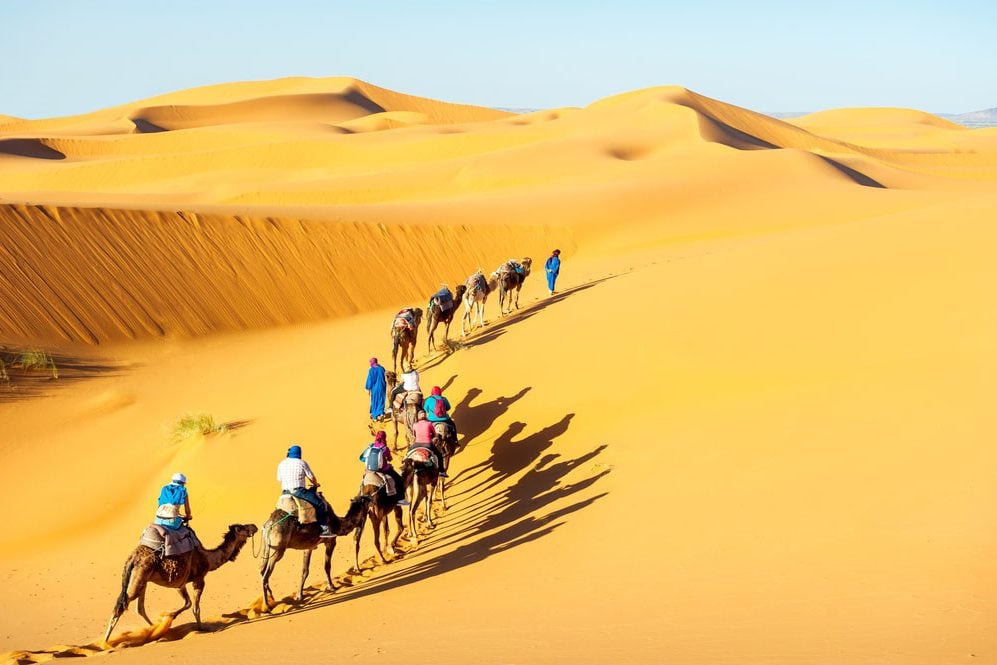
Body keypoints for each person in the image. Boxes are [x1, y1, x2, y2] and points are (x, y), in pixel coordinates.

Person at [277, 445, 334, 538]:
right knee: (321, 504)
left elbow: (279, 479)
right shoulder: (301, 463)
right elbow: (311, 477)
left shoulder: (281, 464)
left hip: (285, 493)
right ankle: (324, 529)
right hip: (298, 492)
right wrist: (315, 484)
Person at [359, 431, 409, 505]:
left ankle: (359, 498)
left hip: (370, 470)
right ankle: (400, 499)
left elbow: (362, 458)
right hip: (383, 470)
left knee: (363, 482)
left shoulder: (370, 446)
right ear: (384, 438)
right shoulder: (385, 448)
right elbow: (390, 459)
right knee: (398, 479)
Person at [411, 410, 448, 477]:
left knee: (408, 453)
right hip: (428, 444)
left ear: (418, 417)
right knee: (439, 455)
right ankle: (442, 472)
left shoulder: (415, 424)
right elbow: (434, 434)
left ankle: (404, 465)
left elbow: (414, 435)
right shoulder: (429, 423)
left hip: (417, 444)